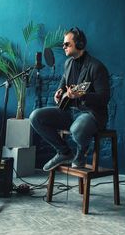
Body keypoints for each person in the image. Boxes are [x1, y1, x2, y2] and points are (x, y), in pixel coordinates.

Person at [29, 27, 110, 171]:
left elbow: (104, 98)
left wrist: (82, 95)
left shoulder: (96, 67)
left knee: (77, 129)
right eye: (64, 44)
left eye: (67, 44)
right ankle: (64, 152)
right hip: (69, 112)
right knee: (35, 117)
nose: (63, 46)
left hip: (90, 114)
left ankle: (80, 153)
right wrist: (58, 92)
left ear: (79, 45)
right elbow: (64, 81)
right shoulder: (68, 63)